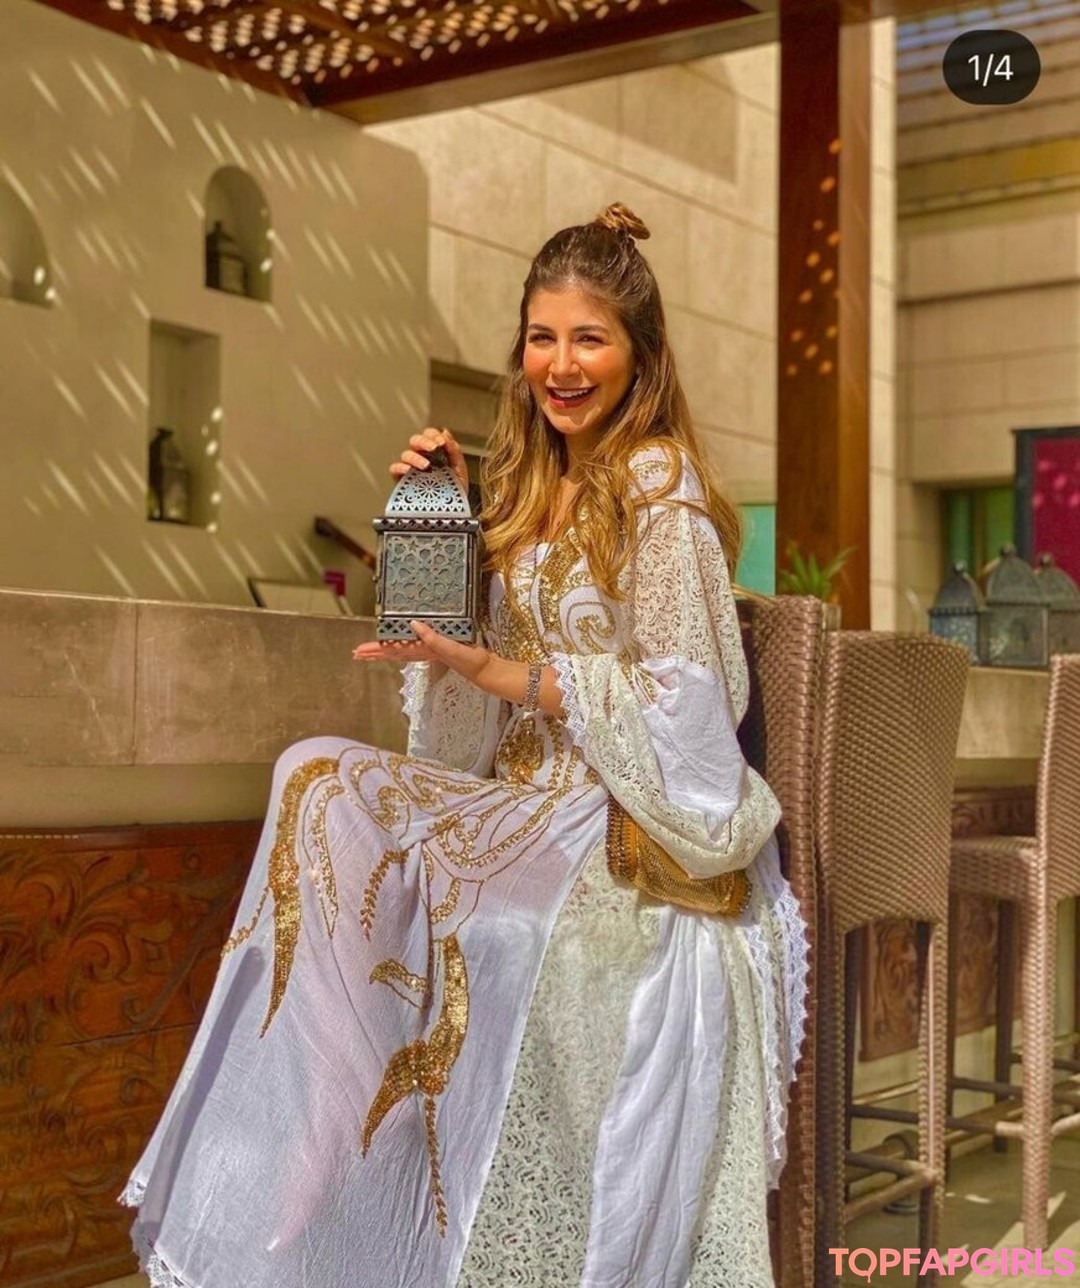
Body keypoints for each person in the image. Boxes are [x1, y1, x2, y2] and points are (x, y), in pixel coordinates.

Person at [122, 203, 807, 1288]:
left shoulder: (657, 485)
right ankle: (328, 1139)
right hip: (515, 806)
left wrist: (503, 673)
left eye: (590, 339)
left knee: (368, 836)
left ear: (641, 355)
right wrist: (447, 519)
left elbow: (691, 700)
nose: (561, 365)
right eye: (542, 336)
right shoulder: (530, 489)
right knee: (316, 775)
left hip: (611, 823)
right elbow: (465, 718)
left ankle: (341, 1164)